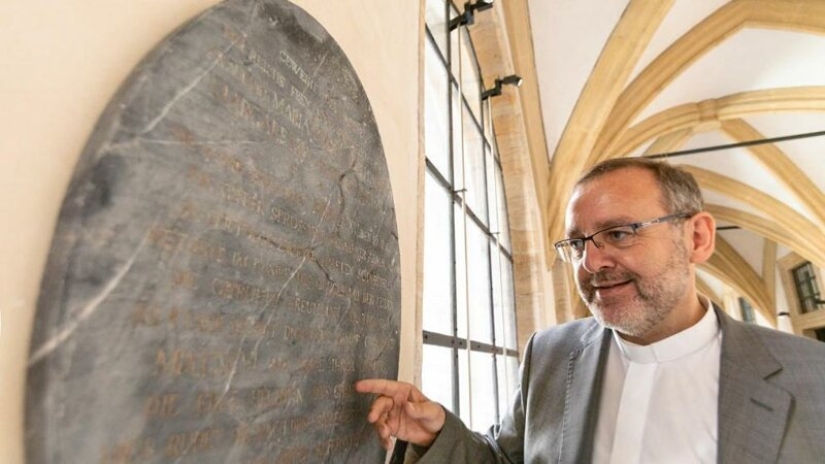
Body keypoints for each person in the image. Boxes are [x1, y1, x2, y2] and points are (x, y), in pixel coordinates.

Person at [356, 158, 825, 463]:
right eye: (577, 243)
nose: (592, 262)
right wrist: (437, 433)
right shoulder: (551, 352)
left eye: (620, 233)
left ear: (697, 238)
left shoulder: (812, 378)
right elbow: (506, 459)